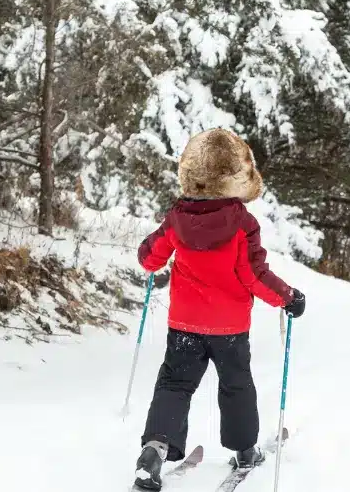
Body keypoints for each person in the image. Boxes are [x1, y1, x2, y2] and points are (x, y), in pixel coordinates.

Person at [132, 128, 306, 491]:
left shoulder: (177, 217)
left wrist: (149, 256)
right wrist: (287, 297)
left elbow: (151, 257)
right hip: (229, 329)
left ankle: (154, 449)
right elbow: (254, 276)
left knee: (175, 384)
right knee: (236, 385)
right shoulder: (242, 223)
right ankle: (245, 452)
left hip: (185, 324)